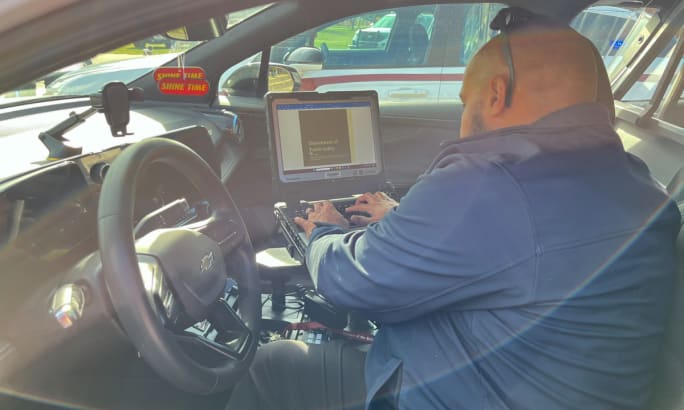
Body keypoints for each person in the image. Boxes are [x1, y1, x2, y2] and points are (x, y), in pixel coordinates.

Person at [226, 8, 681, 410]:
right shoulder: (638, 185)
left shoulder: (490, 185)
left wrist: (321, 232)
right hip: (521, 383)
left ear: (496, 94)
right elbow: (513, 253)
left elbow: (349, 281)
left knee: (272, 363)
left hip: (460, 392)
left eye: (466, 102)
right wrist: (405, 221)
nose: (464, 120)